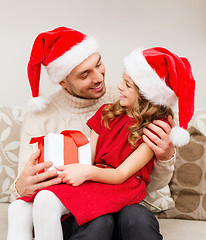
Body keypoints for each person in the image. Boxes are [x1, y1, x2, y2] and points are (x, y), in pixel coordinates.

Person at [8, 27, 177, 240]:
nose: (99, 78)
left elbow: (149, 181)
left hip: (125, 198)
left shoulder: (134, 102)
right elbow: (84, 159)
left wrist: (166, 156)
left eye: (98, 64)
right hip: (84, 200)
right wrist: (22, 186)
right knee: (98, 221)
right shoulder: (44, 117)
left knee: (138, 218)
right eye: (84, 74)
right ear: (63, 81)